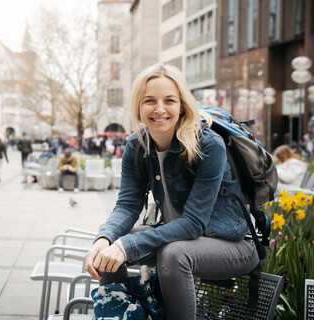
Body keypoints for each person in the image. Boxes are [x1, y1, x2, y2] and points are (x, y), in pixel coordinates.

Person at [85, 63, 259, 320]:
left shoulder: (208, 145)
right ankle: (116, 314)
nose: (159, 109)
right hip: (179, 239)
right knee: (109, 249)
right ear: (138, 105)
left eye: (169, 100)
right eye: (150, 101)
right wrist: (105, 239)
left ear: (182, 105)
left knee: (173, 254)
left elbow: (192, 224)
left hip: (234, 244)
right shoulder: (137, 145)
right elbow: (127, 206)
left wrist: (126, 245)